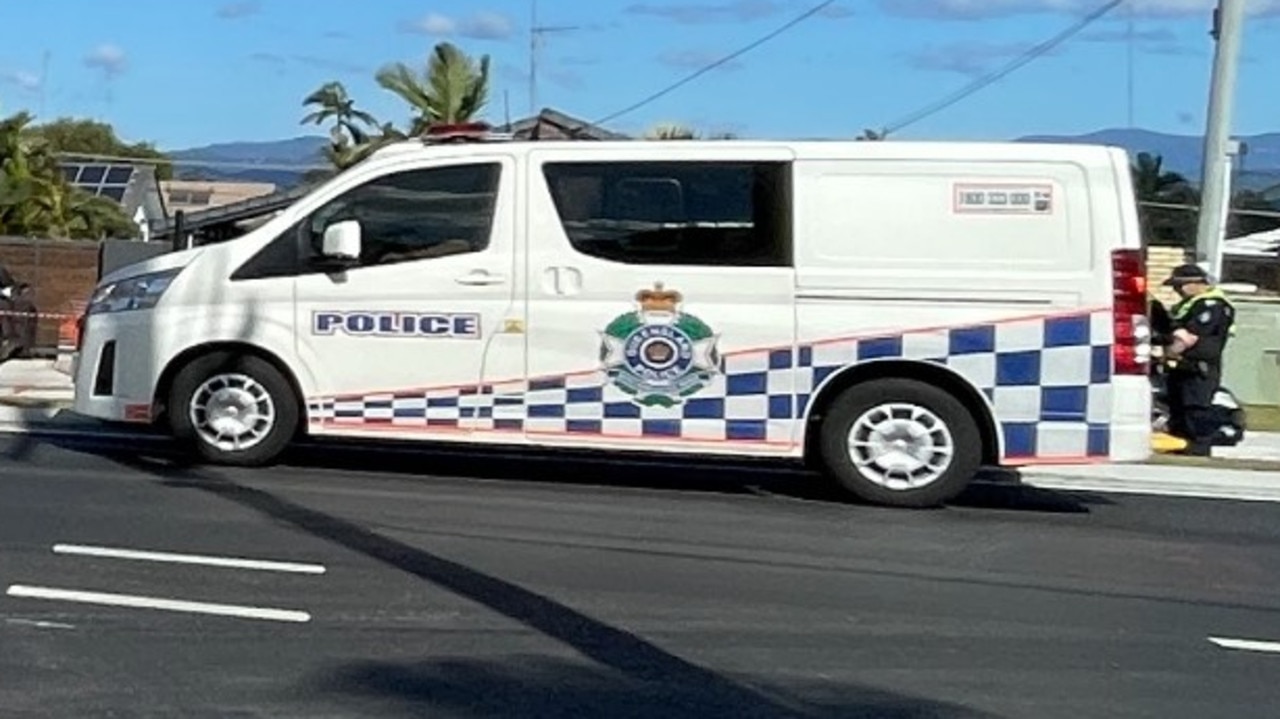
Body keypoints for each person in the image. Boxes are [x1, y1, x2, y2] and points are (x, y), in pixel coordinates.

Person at [1160, 263, 1236, 456]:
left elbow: (1188, 338)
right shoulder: (1190, 304)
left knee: (1195, 411)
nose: (1177, 290)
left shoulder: (1211, 304)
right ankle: (1180, 447)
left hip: (1199, 368)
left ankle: (1197, 450)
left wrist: (1166, 353)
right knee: (1178, 411)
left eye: (1179, 285)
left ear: (1194, 283)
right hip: (1183, 367)